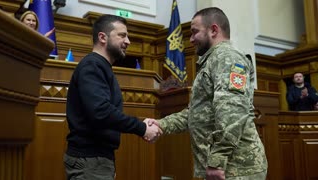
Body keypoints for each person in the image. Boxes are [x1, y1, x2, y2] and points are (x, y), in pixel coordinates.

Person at [148, 7, 267, 180]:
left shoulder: (227, 57)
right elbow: (196, 113)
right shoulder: (212, 60)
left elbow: (232, 111)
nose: (191, 39)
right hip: (225, 167)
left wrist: (217, 160)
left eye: (194, 32)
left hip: (237, 168)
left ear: (213, 30)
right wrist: (161, 124)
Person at [64, 14, 161, 180]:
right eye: (122, 35)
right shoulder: (92, 65)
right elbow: (100, 111)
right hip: (90, 160)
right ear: (103, 37)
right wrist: (142, 128)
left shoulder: (101, 67)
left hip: (97, 159)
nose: (128, 41)